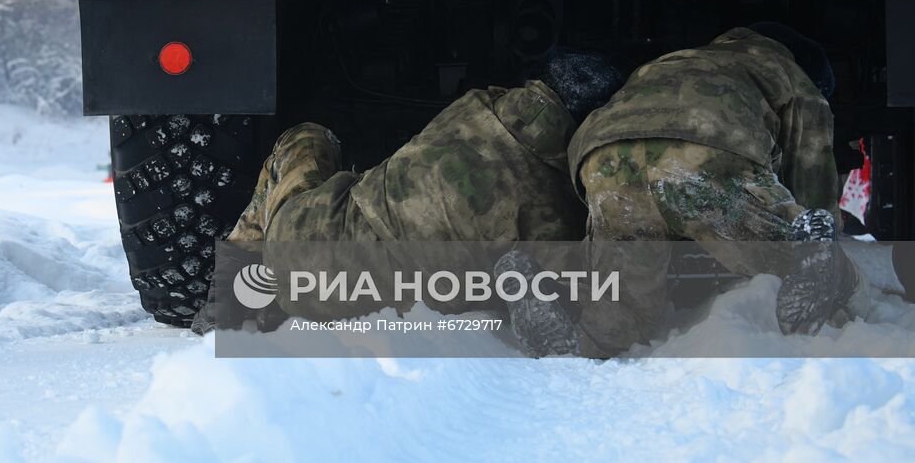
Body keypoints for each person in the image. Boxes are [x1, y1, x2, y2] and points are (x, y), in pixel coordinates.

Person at [194, 51, 624, 340]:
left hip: (299, 249)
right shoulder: (562, 214)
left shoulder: (476, 107)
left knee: (308, 137)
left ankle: (228, 289)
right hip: (381, 309)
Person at [551, 23, 863, 356]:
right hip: (703, 148)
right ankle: (826, 273)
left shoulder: (668, 62)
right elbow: (812, 173)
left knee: (623, 303)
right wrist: (814, 228)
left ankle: (572, 335)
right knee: (794, 256)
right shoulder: (790, 74)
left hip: (605, 156)